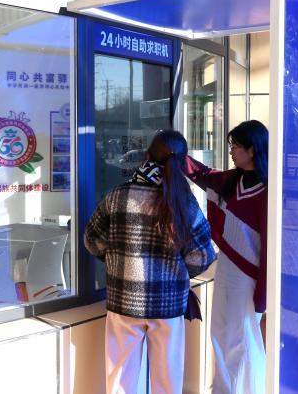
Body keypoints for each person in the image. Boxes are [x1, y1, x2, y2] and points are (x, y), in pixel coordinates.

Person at [85, 129, 215, 394]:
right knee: (167, 381)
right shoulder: (185, 202)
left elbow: (92, 241)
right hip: (168, 303)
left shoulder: (116, 196)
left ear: (147, 155)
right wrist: (176, 273)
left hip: (123, 300)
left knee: (119, 380)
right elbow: (203, 255)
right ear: (183, 161)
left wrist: (119, 262)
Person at [185, 120, 268, 394]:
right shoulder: (231, 181)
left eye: (236, 146)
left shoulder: (269, 191)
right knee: (219, 333)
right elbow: (202, 174)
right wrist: (176, 156)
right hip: (226, 269)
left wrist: (262, 296)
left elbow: (270, 250)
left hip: (248, 278)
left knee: (242, 341)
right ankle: (222, 389)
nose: (231, 151)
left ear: (252, 150)